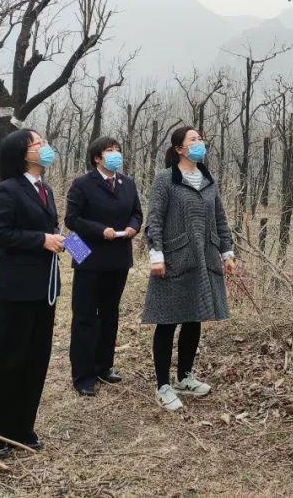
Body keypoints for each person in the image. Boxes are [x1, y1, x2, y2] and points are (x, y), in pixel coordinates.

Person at [0, 129, 64, 459]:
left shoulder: (46, 190)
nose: (44, 147)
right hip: (13, 290)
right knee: (7, 360)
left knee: (35, 360)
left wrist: (79, 251)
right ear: (22, 154)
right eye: (37, 144)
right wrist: (40, 240)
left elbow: (53, 230)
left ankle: (20, 428)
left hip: (44, 290)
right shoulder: (7, 190)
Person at [142, 126, 235, 412]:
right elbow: (154, 218)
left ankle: (184, 376)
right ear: (179, 149)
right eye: (193, 140)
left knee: (195, 317)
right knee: (167, 320)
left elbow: (219, 217)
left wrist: (227, 251)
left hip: (204, 258)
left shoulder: (208, 180)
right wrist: (156, 254)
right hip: (173, 259)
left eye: (200, 139)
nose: (200, 143)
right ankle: (163, 385)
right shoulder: (165, 179)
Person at [64, 136, 143, 396]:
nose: (116, 154)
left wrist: (133, 226)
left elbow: (137, 213)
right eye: (110, 151)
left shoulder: (127, 183)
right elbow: (71, 220)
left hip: (119, 257)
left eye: (118, 150)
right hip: (87, 256)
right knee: (85, 316)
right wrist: (101, 231)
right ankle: (83, 375)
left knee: (110, 314)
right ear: (97, 157)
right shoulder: (82, 184)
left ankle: (104, 366)